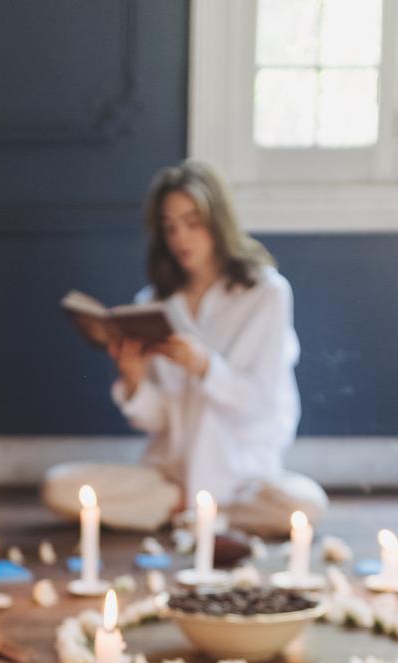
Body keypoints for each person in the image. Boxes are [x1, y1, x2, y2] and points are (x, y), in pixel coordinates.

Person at [43, 159, 327, 535]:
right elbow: (159, 420)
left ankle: (203, 513)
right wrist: (133, 381)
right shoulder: (155, 302)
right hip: (171, 479)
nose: (180, 238)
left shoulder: (267, 295)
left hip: (242, 481)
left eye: (193, 223)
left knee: (304, 505)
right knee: (58, 487)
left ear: (218, 220)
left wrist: (206, 367)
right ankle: (190, 511)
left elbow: (264, 402)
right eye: (170, 227)